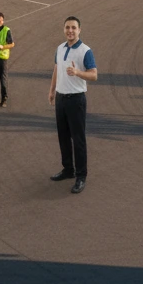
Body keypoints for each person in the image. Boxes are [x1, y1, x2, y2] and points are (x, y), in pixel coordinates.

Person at [48, 15, 97, 194]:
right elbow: (56, 69)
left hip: (76, 100)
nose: (70, 31)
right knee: (63, 137)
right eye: (67, 27)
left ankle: (81, 176)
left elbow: (94, 75)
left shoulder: (85, 51)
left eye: (73, 28)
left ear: (79, 30)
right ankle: (68, 169)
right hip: (61, 99)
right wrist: (52, 90)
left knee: (78, 139)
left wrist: (77, 72)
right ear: (64, 29)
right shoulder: (60, 48)